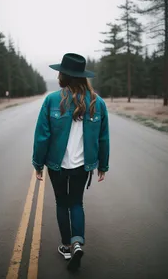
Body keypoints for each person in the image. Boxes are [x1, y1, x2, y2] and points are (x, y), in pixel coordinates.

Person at [32, 53, 110, 271]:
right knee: (76, 202)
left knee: (61, 203)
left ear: (63, 76)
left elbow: (42, 136)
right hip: (81, 166)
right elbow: (103, 137)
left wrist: (38, 164)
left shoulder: (52, 100)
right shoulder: (98, 102)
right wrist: (102, 166)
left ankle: (66, 245)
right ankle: (77, 243)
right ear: (83, 76)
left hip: (57, 165)